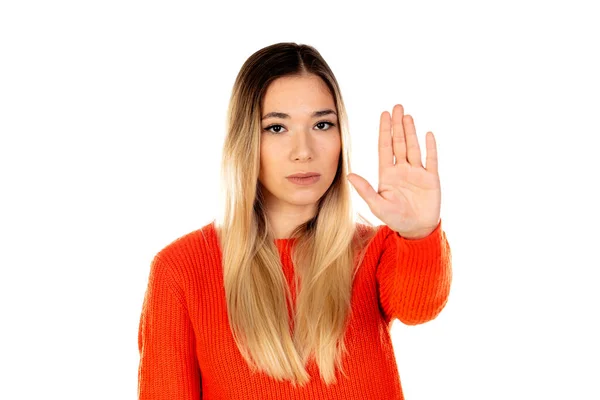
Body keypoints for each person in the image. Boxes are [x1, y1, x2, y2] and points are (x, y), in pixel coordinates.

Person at [137, 42, 452, 400]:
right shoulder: (180, 269)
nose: (303, 150)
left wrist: (417, 232)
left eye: (321, 124)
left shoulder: (374, 250)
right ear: (246, 140)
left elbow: (420, 306)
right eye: (276, 128)